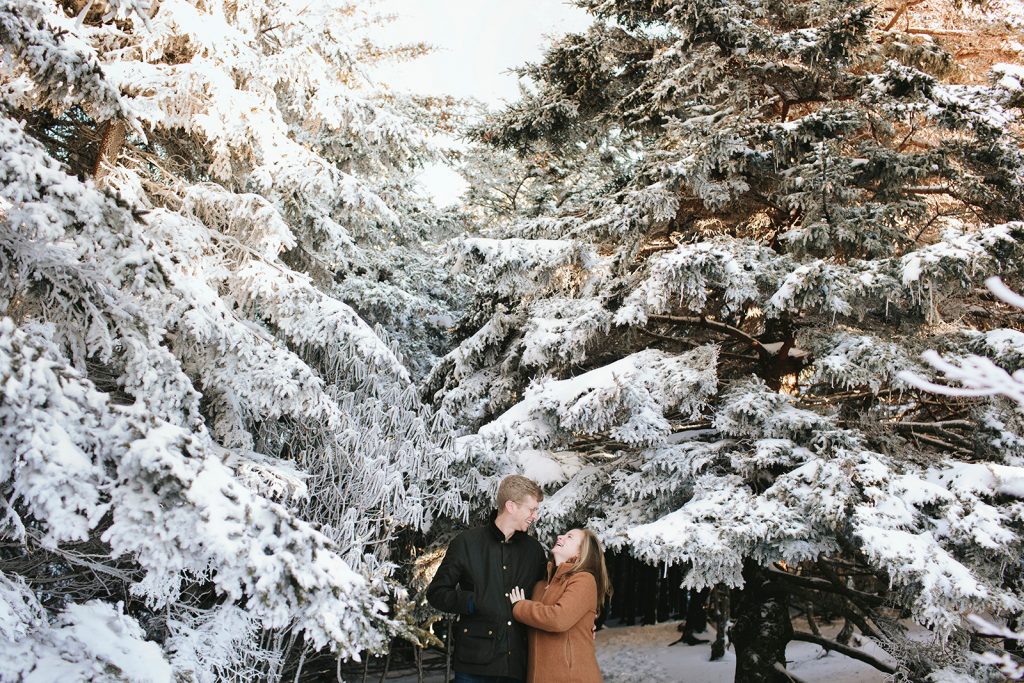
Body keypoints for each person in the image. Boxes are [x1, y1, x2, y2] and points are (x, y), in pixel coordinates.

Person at [426, 475, 547, 683]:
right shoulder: (466, 543)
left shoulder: (533, 550)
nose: (535, 516)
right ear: (511, 506)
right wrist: (474, 601)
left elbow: (547, 596)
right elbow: (436, 593)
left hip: (517, 662)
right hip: (474, 662)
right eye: (531, 509)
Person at [508, 528, 612, 683]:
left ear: (580, 553)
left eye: (569, 537)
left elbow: (558, 619)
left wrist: (520, 607)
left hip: (573, 677)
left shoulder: (583, 580)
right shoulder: (540, 585)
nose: (560, 537)